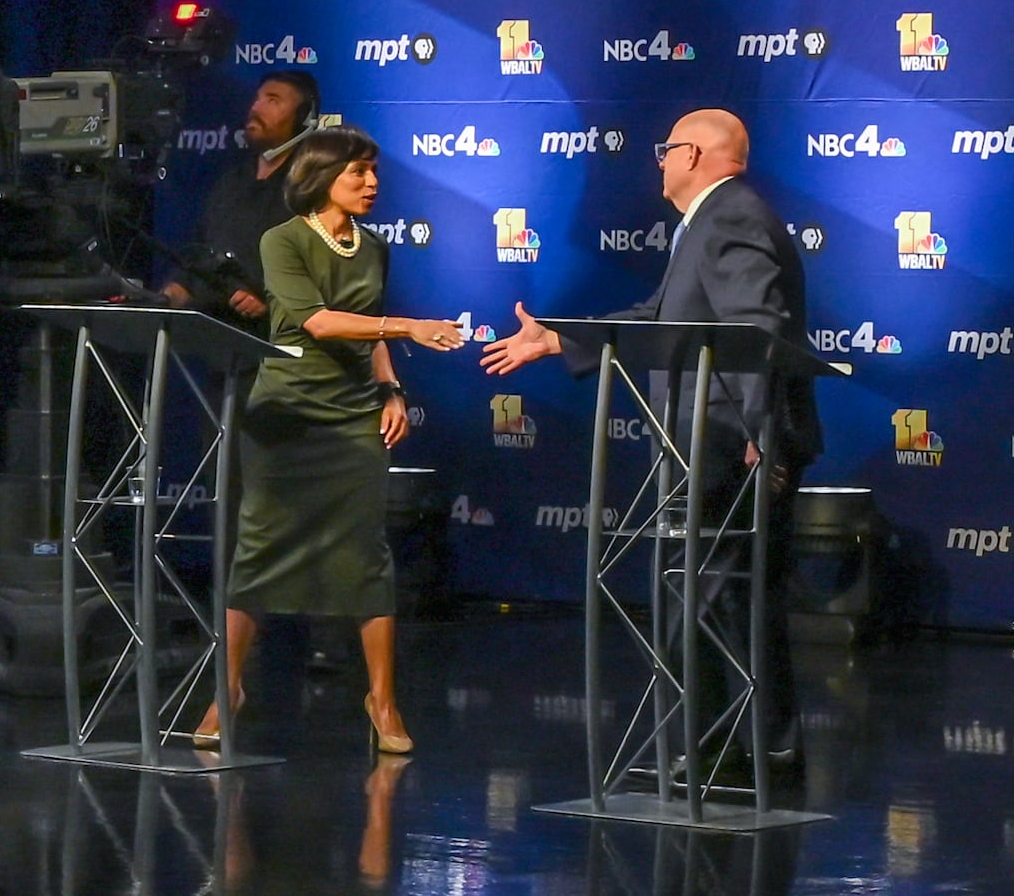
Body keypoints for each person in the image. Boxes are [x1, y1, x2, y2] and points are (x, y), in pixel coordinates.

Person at [481, 108, 821, 770]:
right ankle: (713, 749)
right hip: (712, 443)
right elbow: (658, 318)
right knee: (702, 600)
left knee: (723, 601)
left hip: (728, 444)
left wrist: (762, 434)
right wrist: (557, 338)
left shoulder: (731, 215)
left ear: (692, 154)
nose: (659, 162)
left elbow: (758, 328)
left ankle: (752, 753)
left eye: (665, 149)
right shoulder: (710, 223)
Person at [193, 126, 466, 755]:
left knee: (366, 554)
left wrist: (392, 390)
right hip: (286, 415)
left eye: (374, 172)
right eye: (357, 174)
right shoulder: (282, 240)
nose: (371, 184)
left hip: (351, 418)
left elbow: (367, 333)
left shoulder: (372, 248)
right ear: (322, 178)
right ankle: (227, 688)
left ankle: (383, 700)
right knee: (259, 549)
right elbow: (316, 321)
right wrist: (409, 328)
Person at [160, 69, 322, 333]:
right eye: (257, 99)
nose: (257, 108)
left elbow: (321, 269)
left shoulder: (312, 188)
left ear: (304, 119)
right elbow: (202, 249)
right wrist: (178, 288)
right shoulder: (231, 181)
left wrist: (269, 299)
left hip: (279, 343)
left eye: (273, 101)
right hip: (218, 339)